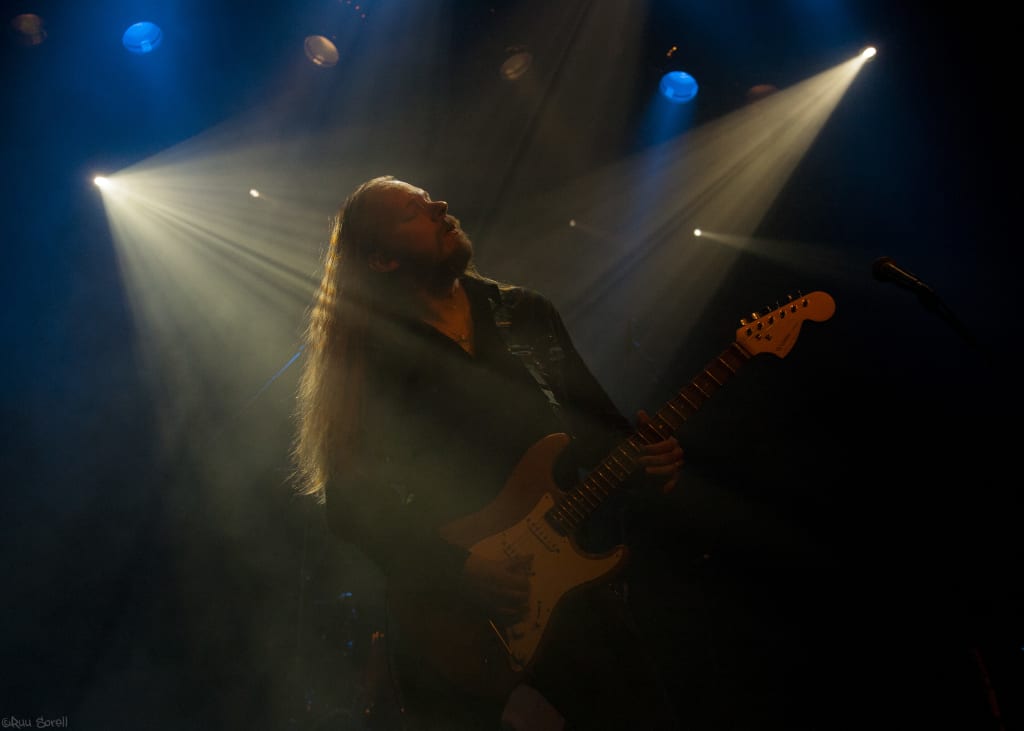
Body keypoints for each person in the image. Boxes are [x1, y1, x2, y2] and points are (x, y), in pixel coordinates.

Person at [292, 175, 684, 730]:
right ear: (381, 259)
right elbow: (350, 505)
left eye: (430, 199)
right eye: (414, 211)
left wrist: (646, 463)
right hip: (448, 620)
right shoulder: (371, 357)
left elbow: (601, 435)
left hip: (568, 591)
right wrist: (459, 568)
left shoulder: (526, 313)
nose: (440, 206)